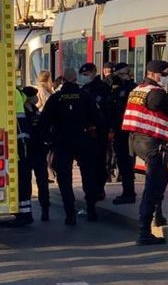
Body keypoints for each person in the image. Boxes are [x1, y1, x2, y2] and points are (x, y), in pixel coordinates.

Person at [122, 60, 168, 245]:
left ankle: (158, 215)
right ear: (154, 74)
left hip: (136, 141)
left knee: (162, 177)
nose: (165, 77)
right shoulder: (156, 94)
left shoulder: (137, 90)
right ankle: (144, 231)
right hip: (152, 143)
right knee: (153, 184)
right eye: (164, 74)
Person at [39, 67, 101, 226]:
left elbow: (44, 121)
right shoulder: (85, 96)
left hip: (62, 142)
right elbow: (98, 118)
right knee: (88, 175)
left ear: (63, 80)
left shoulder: (56, 98)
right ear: (75, 79)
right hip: (83, 140)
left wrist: (47, 140)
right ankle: (91, 210)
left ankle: (70, 215)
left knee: (65, 179)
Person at [79, 63, 111, 216]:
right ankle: (93, 194)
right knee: (90, 166)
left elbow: (108, 110)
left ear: (93, 72)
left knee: (99, 163)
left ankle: (98, 190)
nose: (84, 77)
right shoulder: (83, 90)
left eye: (86, 74)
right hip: (87, 134)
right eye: (83, 74)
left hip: (100, 132)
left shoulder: (103, 89)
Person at [8, 86, 37, 227]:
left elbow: (21, 134)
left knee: (22, 182)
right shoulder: (18, 95)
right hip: (23, 148)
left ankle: (23, 215)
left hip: (21, 150)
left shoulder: (13, 94)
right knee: (22, 181)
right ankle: (23, 213)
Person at [109, 62, 138, 204]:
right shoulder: (115, 88)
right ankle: (127, 191)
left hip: (127, 132)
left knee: (126, 162)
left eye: (120, 74)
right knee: (122, 162)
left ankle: (129, 193)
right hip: (119, 131)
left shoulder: (131, 88)